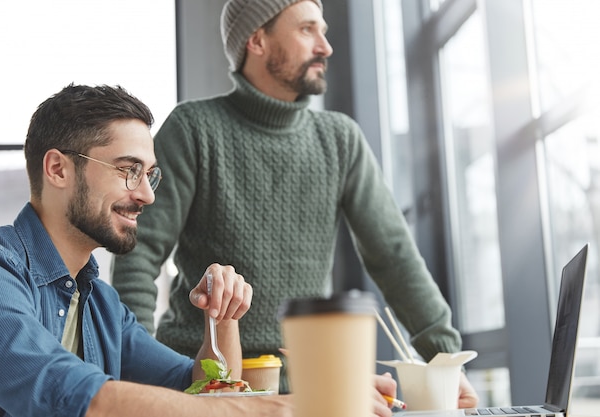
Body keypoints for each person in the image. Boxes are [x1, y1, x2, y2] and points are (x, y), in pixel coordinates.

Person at [111, 0, 479, 407]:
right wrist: (137, 366)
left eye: (322, 30)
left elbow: (394, 257)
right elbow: (138, 253)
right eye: (307, 30)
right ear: (257, 40)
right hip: (207, 382)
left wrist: (444, 358)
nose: (325, 46)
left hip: (307, 385)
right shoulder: (194, 129)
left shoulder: (340, 139)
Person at [0, 84, 398, 417]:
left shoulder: (102, 304)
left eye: (150, 175)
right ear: (58, 168)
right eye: (128, 171)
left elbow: (199, 387)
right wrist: (277, 408)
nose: (147, 195)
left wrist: (222, 319)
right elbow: (68, 393)